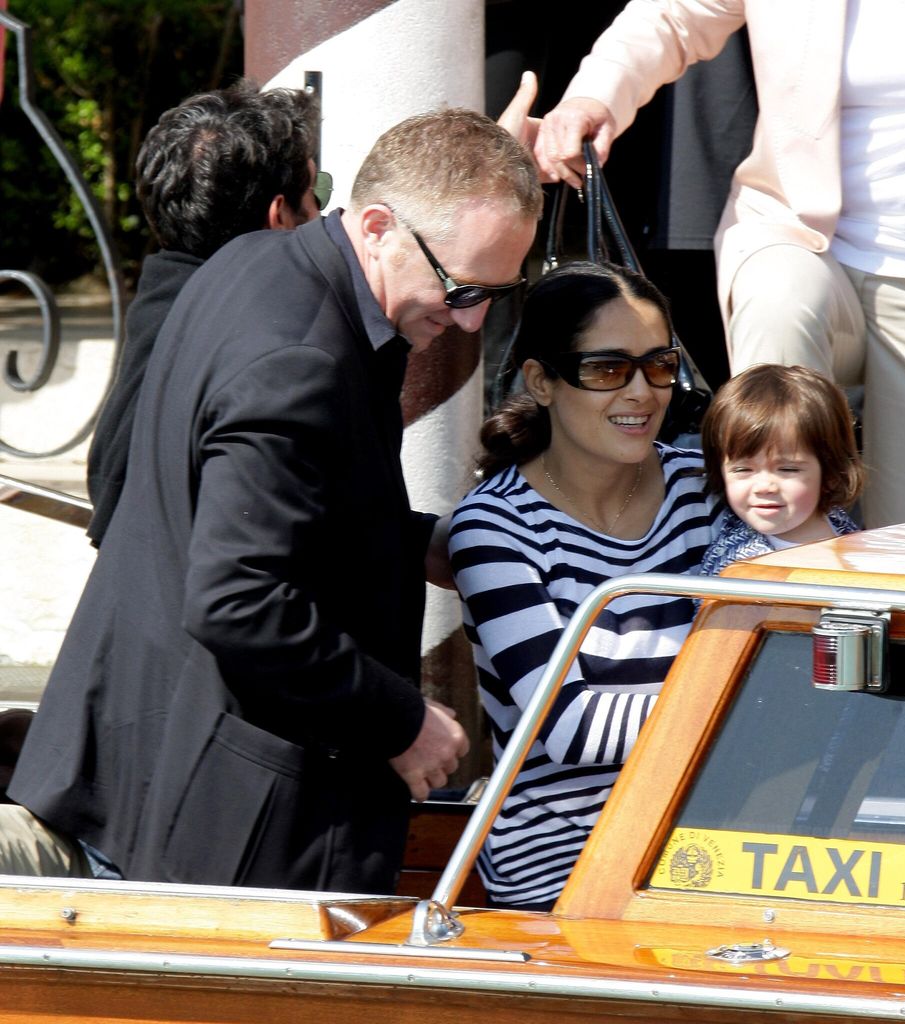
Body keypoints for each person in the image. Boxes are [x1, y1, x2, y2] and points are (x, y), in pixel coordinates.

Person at [5, 108, 542, 892]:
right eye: (460, 286)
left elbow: (297, 507)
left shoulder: (256, 262)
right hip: (216, 818)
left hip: (150, 764)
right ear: (380, 225)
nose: (471, 319)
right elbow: (238, 599)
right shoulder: (300, 359)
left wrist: (420, 544)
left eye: (497, 293)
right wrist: (403, 721)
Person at [532, 0, 905, 529]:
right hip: (797, 233)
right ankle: (776, 570)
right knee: (779, 300)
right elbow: (673, 13)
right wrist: (595, 95)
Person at [448, 261, 722, 909]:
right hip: (560, 870)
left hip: (714, 849)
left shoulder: (710, 487)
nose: (642, 392)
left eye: (659, 365)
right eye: (606, 369)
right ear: (541, 381)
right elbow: (569, 725)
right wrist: (753, 705)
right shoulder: (494, 525)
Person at [86, 79, 325, 548]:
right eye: (318, 193)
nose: (323, 215)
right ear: (279, 217)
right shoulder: (257, 351)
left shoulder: (163, 306)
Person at [699, 364, 863, 578]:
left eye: (787, 469)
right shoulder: (736, 567)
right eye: (743, 469)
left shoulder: (838, 523)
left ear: (831, 473)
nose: (764, 486)